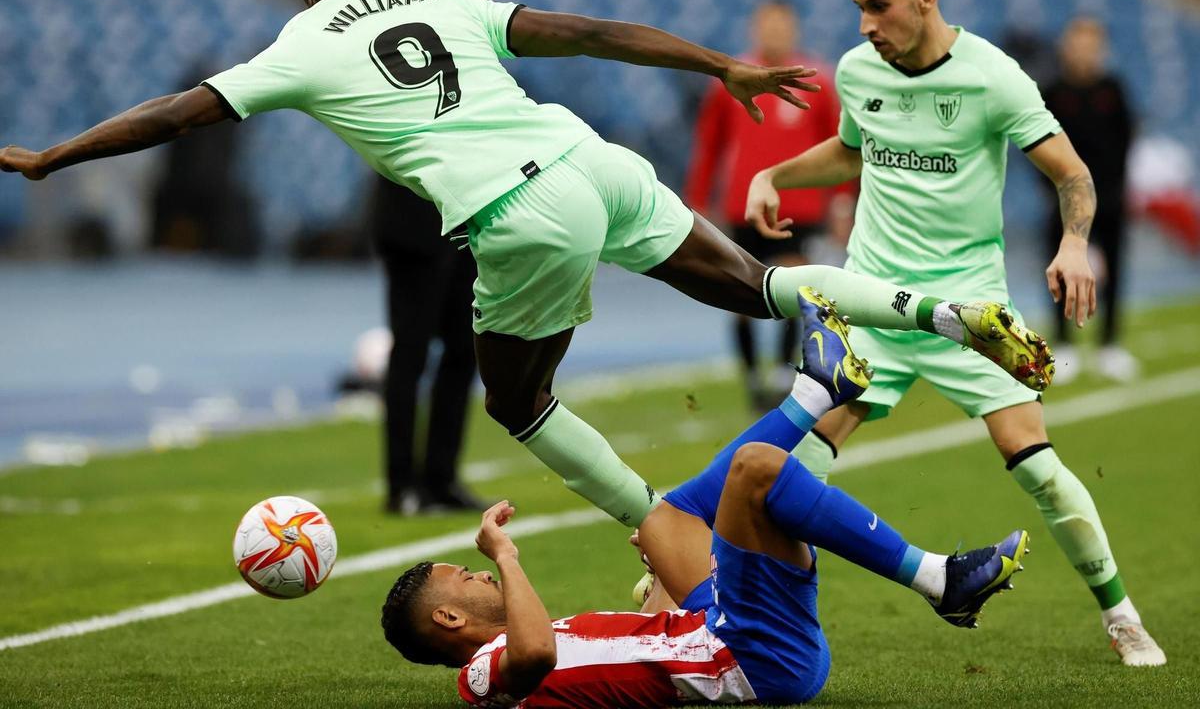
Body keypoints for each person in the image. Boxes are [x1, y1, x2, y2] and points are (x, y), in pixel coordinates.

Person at [1, 0, 1051, 545]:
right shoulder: (444, 0)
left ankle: (654, 523)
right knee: (758, 283)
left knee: (518, 396)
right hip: (587, 156)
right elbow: (589, 32)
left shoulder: (298, 41)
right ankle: (934, 307)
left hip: (516, 210)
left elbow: (177, 112)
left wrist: (55, 156)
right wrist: (717, 66)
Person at [745, 0, 1163, 666]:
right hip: (872, 302)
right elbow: (853, 148)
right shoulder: (856, 68)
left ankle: (1122, 614)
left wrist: (1072, 245)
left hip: (971, 316)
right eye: (858, 9)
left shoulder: (994, 78)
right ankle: (756, 621)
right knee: (789, 472)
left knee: (1035, 466)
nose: (867, 25)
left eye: (879, 7)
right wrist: (775, 175)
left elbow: (1074, 175)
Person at [380, 290, 1030, 707]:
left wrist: (661, 571)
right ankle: (936, 576)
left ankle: (818, 388)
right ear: (449, 622)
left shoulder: (543, 639)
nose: (477, 574)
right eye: (462, 577)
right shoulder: (486, 676)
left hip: (727, 635)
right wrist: (506, 557)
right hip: (754, 658)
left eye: (473, 567)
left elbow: (654, 646)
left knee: (666, 520)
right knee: (755, 469)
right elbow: (535, 657)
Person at [372, 0, 494, 515]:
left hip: (464, 215)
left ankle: (441, 477)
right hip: (415, 215)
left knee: (463, 352)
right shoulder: (407, 31)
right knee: (412, 352)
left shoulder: (475, 26)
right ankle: (402, 487)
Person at [684, 0, 847, 410]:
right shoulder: (732, 80)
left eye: (782, 25)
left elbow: (841, 145)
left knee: (793, 288)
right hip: (742, 207)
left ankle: (779, 369)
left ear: (795, 29)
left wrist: (843, 199)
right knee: (739, 293)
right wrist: (699, 201)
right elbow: (710, 145)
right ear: (754, 29)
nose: (774, 33)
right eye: (767, 25)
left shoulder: (817, 81)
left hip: (799, 206)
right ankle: (752, 375)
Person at [1042, 17, 1137, 383]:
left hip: (1109, 199)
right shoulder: (1053, 91)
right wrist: (1054, 190)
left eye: (1091, 44)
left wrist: (1110, 190)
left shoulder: (1113, 89)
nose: (1084, 51)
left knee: (1115, 270)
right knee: (1058, 272)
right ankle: (1064, 344)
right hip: (1062, 202)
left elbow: (1125, 141)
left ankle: (1109, 344)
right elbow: (1039, 145)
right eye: (1078, 43)